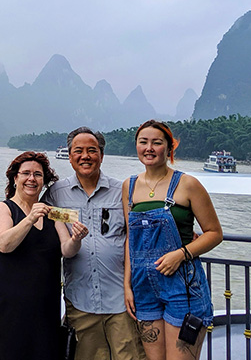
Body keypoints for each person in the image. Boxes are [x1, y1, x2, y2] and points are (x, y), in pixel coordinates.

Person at [43, 127, 146, 360]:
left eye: (92, 150)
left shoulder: (122, 191)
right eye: (78, 151)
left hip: (122, 302)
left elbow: (143, 227)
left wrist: (185, 233)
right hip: (81, 303)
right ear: (70, 157)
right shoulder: (57, 194)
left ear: (101, 155)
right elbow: (33, 218)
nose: (85, 156)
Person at [123, 120, 223, 360]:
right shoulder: (129, 187)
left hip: (183, 287)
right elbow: (131, 239)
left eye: (156, 143)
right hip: (143, 286)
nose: (149, 148)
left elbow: (214, 233)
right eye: (143, 142)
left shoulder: (188, 184)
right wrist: (127, 284)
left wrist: (180, 254)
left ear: (169, 148)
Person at [0, 151, 88, 360]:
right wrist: (30, 218)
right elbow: (4, 244)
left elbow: (66, 249)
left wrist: (76, 239)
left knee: (44, 352)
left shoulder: (53, 212)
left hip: (45, 302)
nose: (32, 179)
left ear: (44, 181)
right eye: (26, 173)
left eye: (38, 175)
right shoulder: (3, 208)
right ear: (15, 178)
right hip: (10, 302)